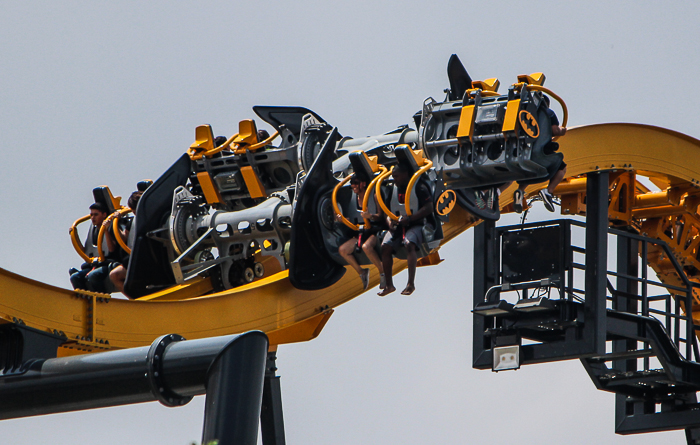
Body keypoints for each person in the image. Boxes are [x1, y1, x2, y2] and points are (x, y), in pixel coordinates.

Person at [378, 162, 434, 297]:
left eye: (397, 176)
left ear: (405, 175)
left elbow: (429, 207)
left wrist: (411, 218)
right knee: (385, 247)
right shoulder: (393, 189)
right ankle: (389, 285)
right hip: (398, 225)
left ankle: (410, 283)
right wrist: (389, 221)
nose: (394, 180)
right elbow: (386, 210)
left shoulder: (419, 187)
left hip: (416, 224)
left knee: (410, 244)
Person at [512, 95, 567, 213]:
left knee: (529, 168)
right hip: (540, 151)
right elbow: (555, 131)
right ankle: (548, 191)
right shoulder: (548, 113)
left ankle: (520, 191)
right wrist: (562, 130)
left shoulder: (521, 113)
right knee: (562, 167)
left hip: (521, 152)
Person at [335, 172, 385, 290]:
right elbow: (352, 219)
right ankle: (362, 272)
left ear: (363, 184)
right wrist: (342, 221)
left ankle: (383, 272)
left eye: (356, 183)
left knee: (366, 247)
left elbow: (380, 216)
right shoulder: (353, 199)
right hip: (360, 231)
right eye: (352, 184)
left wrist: (370, 216)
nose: (353, 186)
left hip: (374, 230)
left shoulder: (374, 196)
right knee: (343, 250)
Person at [69, 202, 115, 292]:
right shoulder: (93, 231)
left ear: (104, 215)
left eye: (96, 215)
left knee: (93, 276)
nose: (93, 218)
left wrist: (105, 230)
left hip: (107, 264)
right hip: (93, 264)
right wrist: (75, 235)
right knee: (75, 277)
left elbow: (111, 249)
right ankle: (84, 299)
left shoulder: (111, 227)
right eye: (91, 215)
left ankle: (101, 299)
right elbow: (85, 251)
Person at [109, 191, 143, 295]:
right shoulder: (132, 222)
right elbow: (123, 238)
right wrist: (115, 223)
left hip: (147, 257)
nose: (134, 212)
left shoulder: (154, 217)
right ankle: (133, 299)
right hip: (135, 258)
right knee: (114, 275)